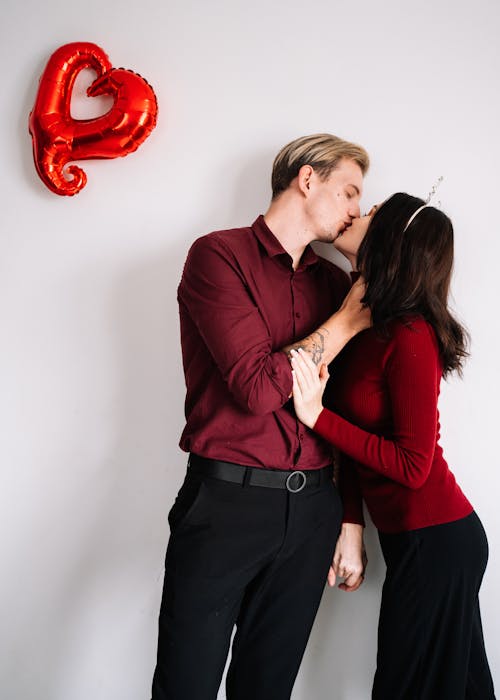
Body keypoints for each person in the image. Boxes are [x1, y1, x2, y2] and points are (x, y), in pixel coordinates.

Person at [150, 133, 371, 700]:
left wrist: (348, 519)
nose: (354, 209)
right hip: (227, 505)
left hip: (315, 509)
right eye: (348, 192)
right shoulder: (217, 255)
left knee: (267, 689)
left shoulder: (334, 284)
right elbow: (254, 387)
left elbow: (343, 411)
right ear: (306, 179)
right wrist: (344, 326)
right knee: (186, 685)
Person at [291, 192, 496, 699]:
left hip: (439, 542)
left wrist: (316, 416)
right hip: (416, 542)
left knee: (408, 688)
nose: (361, 212)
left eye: (375, 213)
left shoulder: (410, 335)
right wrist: (352, 522)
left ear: (392, 242)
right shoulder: (367, 325)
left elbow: (412, 465)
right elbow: (365, 445)